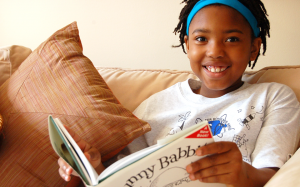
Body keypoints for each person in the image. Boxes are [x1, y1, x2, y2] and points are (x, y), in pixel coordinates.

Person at [58, 0, 300, 186]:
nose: (215, 51)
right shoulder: (154, 106)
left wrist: (243, 173)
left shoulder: (274, 97)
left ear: (254, 48)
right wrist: (93, 167)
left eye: (232, 39)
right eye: (202, 38)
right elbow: (124, 176)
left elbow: (273, 175)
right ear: (187, 45)